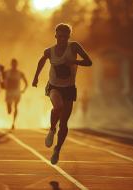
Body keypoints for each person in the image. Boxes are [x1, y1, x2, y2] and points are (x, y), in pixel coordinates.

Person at [32, 23, 92, 165]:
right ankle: (52, 129)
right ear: (55, 36)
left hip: (69, 88)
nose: (62, 39)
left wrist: (75, 61)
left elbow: (89, 62)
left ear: (69, 36)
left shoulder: (74, 47)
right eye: (59, 36)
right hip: (54, 86)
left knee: (64, 123)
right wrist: (36, 77)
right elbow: (41, 61)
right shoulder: (50, 51)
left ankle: (57, 149)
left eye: (65, 36)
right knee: (57, 107)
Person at [4, 58, 28, 130]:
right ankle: (9, 107)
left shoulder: (20, 73)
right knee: (9, 110)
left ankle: (13, 123)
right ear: (11, 64)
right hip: (9, 92)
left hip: (17, 92)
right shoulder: (6, 72)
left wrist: (23, 90)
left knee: (16, 106)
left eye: (15, 64)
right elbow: (1, 80)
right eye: (13, 64)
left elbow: (26, 83)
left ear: (16, 65)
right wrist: (3, 86)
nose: (14, 65)